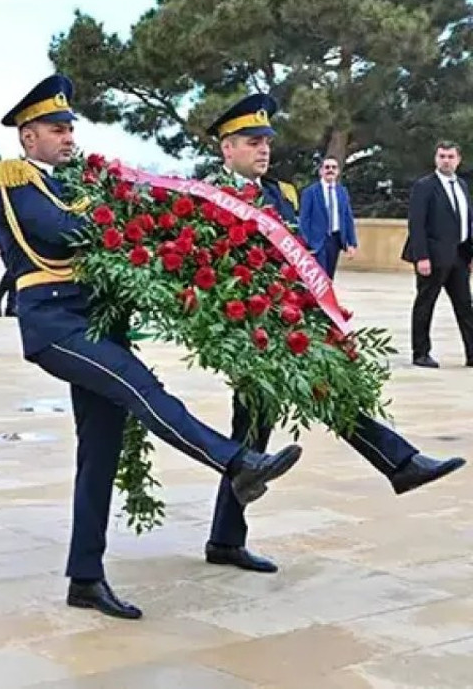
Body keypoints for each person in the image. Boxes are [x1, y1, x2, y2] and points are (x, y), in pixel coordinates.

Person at [0, 75, 306, 620]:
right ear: (28, 137)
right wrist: (121, 214)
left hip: (96, 325)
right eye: (55, 129)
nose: (67, 137)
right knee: (142, 388)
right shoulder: (16, 179)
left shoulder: (74, 183)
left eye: (70, 128)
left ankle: (84, 578)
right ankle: (236, 463)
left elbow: (108, 225)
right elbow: (62, 232)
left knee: (100, 453)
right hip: (57, 326)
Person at [201, 98, 467, 575]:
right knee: (276, 418)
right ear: (228, 148)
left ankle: (226, 537)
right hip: (246, 328)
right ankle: (398, 462)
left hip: (284, 322)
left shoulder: (280, 192)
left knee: (262, 426)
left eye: (267, 142)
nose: (264, 150)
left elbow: (297, 252)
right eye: (253, 142)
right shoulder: (208, 195)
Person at [403, 141, 473, 369]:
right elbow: (417, 224)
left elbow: (466, 222)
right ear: (436, 158)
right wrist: (421, 256)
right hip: (432, 258)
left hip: (460, 256)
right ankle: (421, 353)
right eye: (442, 156)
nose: (446, 160)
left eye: (450, 156)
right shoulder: (424, 186)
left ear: (458, 159)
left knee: (465, 306)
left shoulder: (462, 185)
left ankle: (472, 353)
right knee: (425, 304)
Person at [299, 156, 357, 278]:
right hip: (317, 241)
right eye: (327, 167)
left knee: (329, 277)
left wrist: (351, 243)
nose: (330, 170)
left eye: (334, 167)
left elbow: (347, 217)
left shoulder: (342, 191)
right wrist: (307, 242)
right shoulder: (310, 192)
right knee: (319, 277)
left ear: (338, 171)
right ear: (321, 171)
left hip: (335, 240)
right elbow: (304, 219)